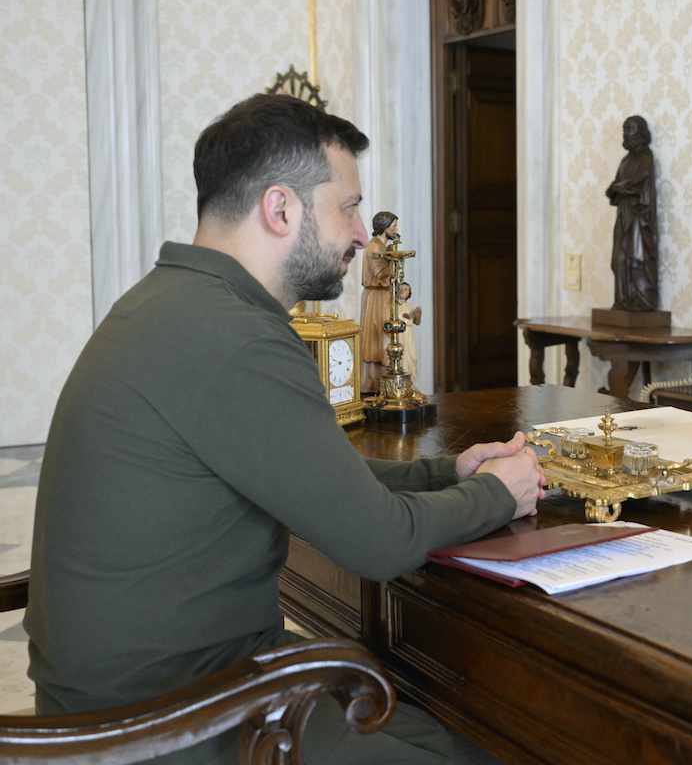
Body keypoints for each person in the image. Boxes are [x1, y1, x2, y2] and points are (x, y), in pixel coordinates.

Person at [24, 93, 546, 764]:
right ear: (281, 209)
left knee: (449, 722)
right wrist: (503, 493)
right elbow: (382, 543)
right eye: (349, 206)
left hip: (148, 688)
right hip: (158, 724)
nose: (362, 233)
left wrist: (448, 471)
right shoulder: (235, 338)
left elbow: (312, 473)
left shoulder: (179, 301)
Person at [605, 115, 659, 311]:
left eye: (630, 129)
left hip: (638, 219)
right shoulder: (625, 161)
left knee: (637, 260)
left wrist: (622, 187)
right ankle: (622, 300)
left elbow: (642, 188)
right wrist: (616, 189)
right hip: (623, 216)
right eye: (625, 129)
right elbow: (616, 187)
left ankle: (643, 300)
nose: (626, 134)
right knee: (619, 260)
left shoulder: (646, 158)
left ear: (642, 133)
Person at [360, 210, 398, 393]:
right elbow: (382, 275)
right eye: (393, 226)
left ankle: (386, 381)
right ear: (384, 227)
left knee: (386, 335)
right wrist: (394, 261)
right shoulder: (375, 247)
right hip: (377, 297)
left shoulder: (383, 247)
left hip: (383, 295)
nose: (396, 229)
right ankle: (375, 383)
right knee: (379, 337)